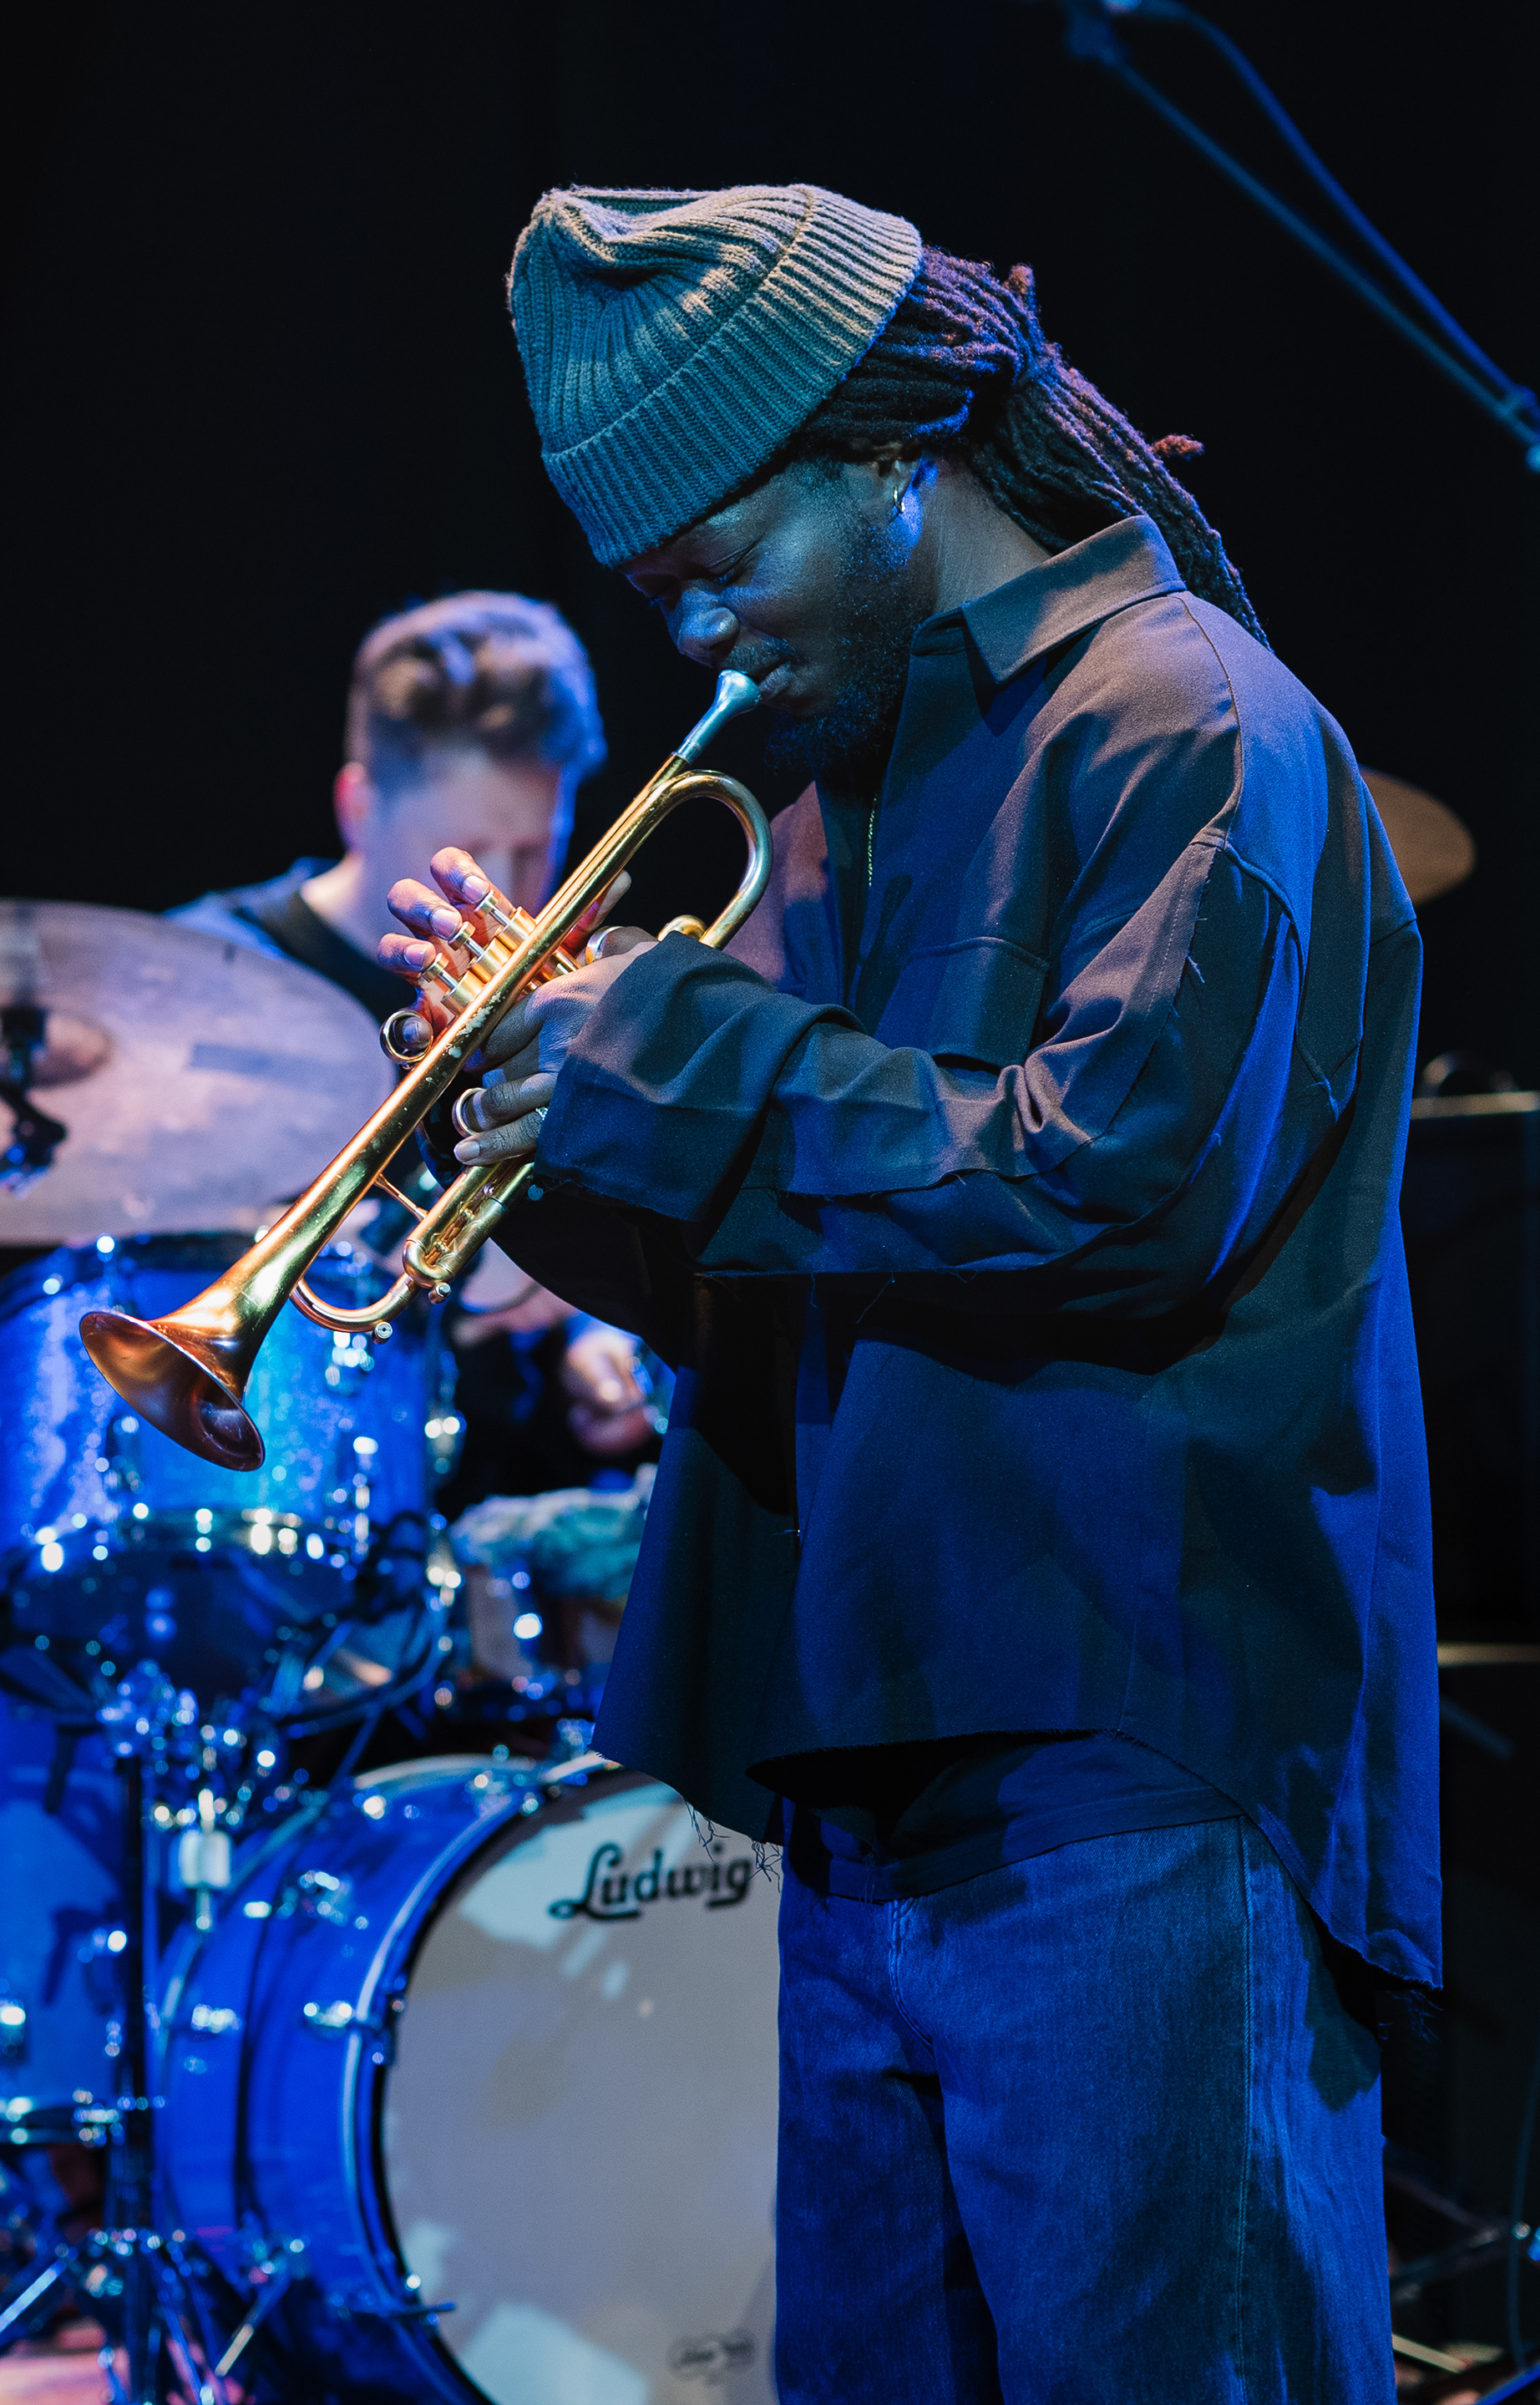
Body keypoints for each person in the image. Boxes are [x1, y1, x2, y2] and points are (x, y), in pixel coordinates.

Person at [383, 187, 1436, 2403]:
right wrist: (550, 1147)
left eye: (720, 565)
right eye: (662, 601)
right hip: (860, 1775)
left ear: (891, 449)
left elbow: (1110, 1189)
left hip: (1126, 1765)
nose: (706, 640)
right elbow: (816, 1273)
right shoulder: (845, 799)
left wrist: (675, 1055)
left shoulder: (1184, 720)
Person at [173, 590, 656, 1477]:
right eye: (465, 850)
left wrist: (601, 1338)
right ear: (357, 806)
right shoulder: (198, 977)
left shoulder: (570, 992)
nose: (501, 893)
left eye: (533, 847)